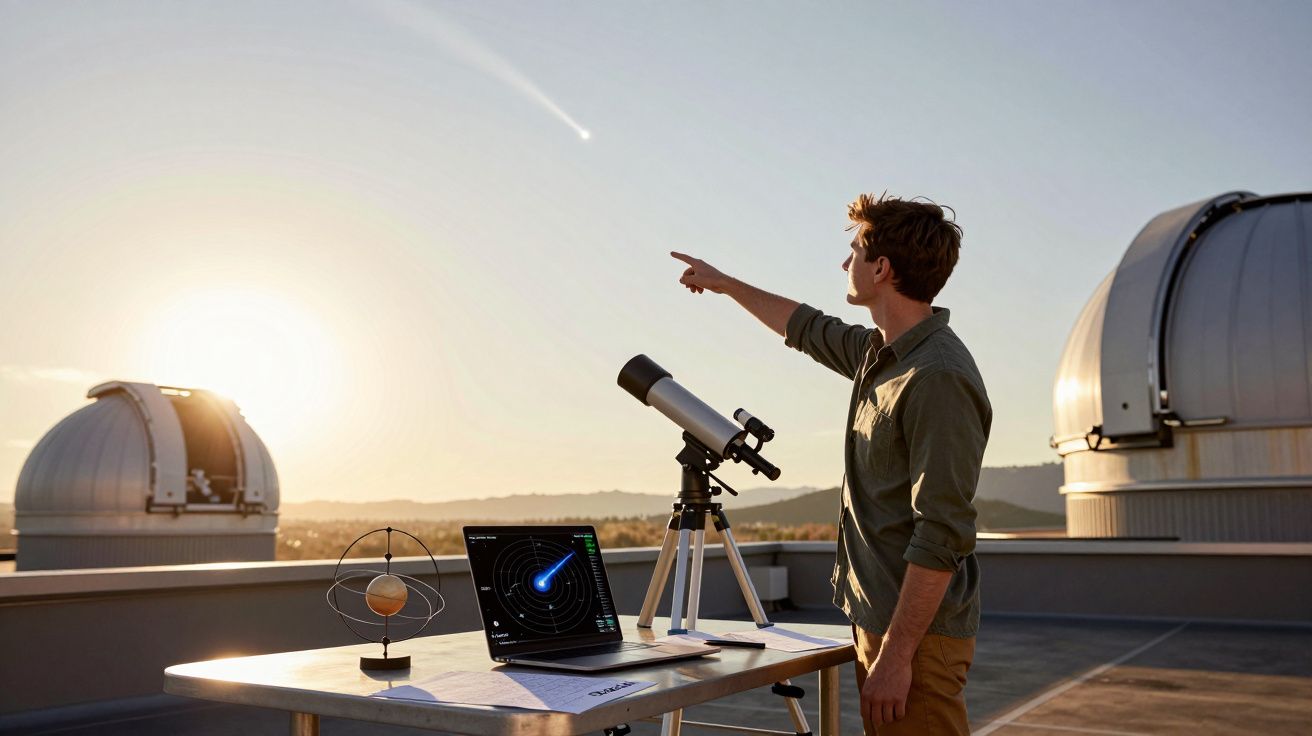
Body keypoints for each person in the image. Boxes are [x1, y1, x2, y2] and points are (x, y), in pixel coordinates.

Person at [671, 192, 990, 735]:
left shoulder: (937, 377)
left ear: (882, 268)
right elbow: (805, 327)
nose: (846, 264)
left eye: (855, 252)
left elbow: (942, 531)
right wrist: (725, 284)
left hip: (914, 637)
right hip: (884, 623)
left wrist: (895, 657)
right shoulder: (880, 353)